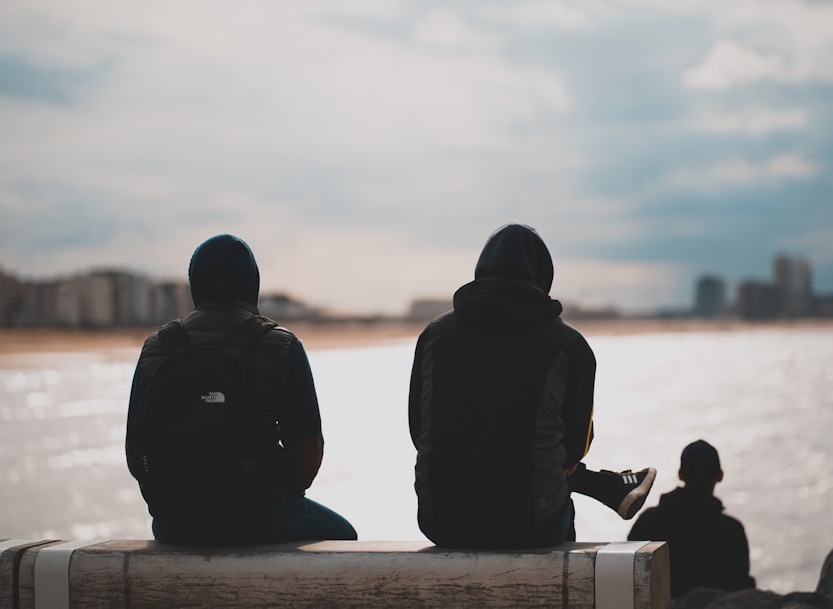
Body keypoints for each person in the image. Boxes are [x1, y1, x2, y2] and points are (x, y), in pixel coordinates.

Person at [409, 222, 656, 548]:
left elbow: (418, 431)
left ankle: (611, 487)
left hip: (440, 521)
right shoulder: (569, 345)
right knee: (549, 473)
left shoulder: (434, 335)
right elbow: (573, 450)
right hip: (530, 526)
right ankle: (611, 488)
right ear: (544, 275)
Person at [126, 234, 357, 544]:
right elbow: (308, 455)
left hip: (174, 524)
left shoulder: (157, 348)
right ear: (253, 283)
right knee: (344, 536)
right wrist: (271, 495)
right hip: (259, 519)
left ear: (196, 283)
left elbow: (134, 454)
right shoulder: (281, 345)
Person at [628, 440, 755, 598]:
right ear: (720, 476)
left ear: (680, 474)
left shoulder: (648, 521)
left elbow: (629, 574)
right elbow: (741, 590)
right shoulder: (731, 530)